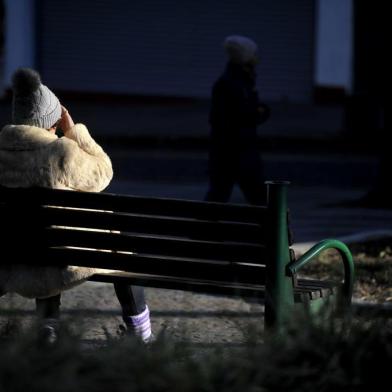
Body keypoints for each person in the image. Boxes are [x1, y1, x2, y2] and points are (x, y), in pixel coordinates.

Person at [0, 68, 152, 343]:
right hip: (62, 264)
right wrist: (73, 131)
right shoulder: (60, 152)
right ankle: (140, 332)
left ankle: (48, 325)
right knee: (121, 249)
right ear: (50, 121)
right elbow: (103, 173)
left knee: (38, 233)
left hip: (13, 263)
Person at [205, 35, 270, 205]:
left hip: (233, 152)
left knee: (219, 197)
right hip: (237, 152)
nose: (257, 57)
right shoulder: (232, 83)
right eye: (254, 53)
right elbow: (237, 116)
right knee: (259, 199)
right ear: (245, 57)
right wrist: (257, 112)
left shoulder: (240, 80)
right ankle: (272, 231)